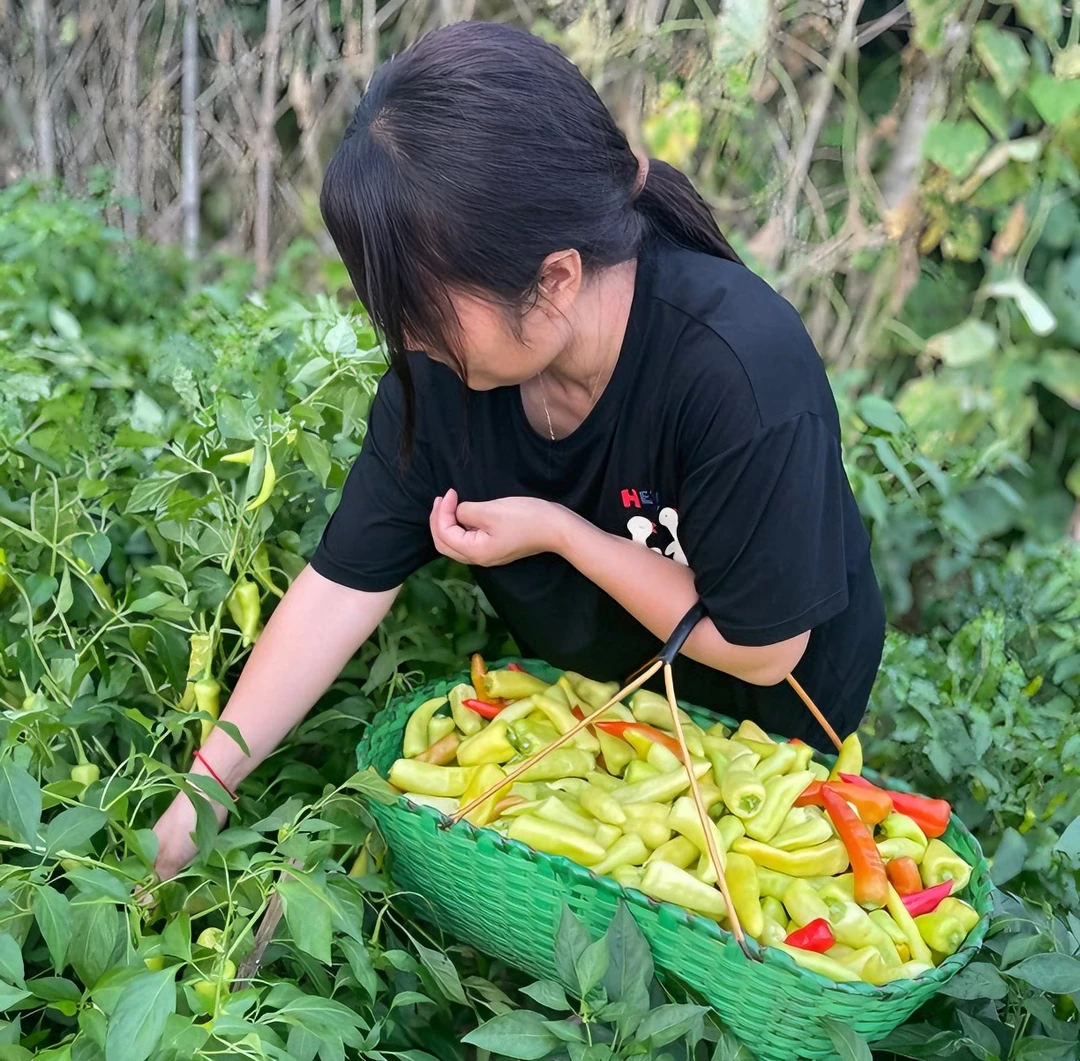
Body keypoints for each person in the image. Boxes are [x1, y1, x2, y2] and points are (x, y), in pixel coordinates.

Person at [149, 20, 886, 882]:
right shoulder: (447, 373)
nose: (408, 340)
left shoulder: (736, 371)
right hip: (593, 737)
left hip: (763, 752)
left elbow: (764, 648)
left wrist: (563, 533)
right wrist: (199, 799)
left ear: (557, 278)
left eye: (424, 307)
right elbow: (342, 583)